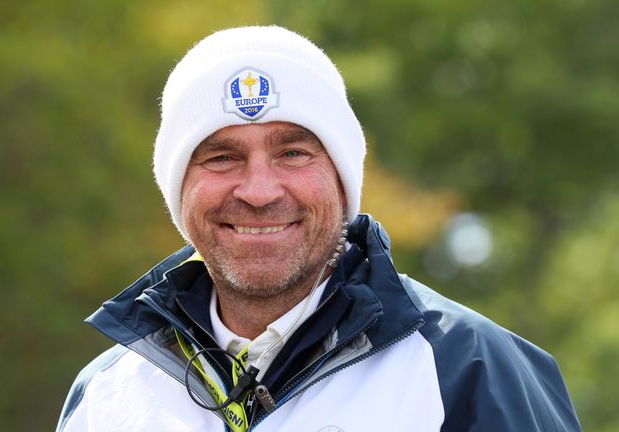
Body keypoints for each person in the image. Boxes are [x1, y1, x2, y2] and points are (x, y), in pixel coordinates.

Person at [56, 26, 581, 432]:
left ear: (342, 178)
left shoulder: (470, 369)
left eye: (293, 152)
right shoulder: (107, 394)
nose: (259, 191)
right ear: (178, 188)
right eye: (221, 157)